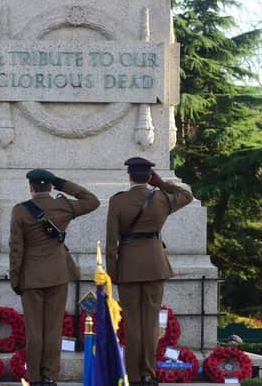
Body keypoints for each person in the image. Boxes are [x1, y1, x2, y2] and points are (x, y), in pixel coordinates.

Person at [105, 157, 194, 386]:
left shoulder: (118, 202)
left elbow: (111, 243)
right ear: (149, 177)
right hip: (155, 265)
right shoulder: (161, 198)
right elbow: (187, 196)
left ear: (129, 176)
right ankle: (148, 373)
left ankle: (134, 376)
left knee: (133, 322)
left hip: (129, 266)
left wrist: (113, 273)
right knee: (151, 322)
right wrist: (162, 183)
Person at [9, 169, 99, 386]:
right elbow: (92, 201)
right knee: (53, 328)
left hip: (31, 277)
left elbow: (16, 249)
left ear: (31, 187)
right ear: (50, 186)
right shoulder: (63, 206)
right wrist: (63, 184)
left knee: (34, 330)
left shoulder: (20, 211)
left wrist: (15, 278)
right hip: (58, 275)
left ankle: (35, 378)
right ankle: (50, 376)